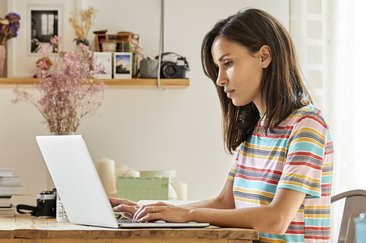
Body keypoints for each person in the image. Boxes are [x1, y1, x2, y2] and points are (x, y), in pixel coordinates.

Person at [111, 8, 334, 243]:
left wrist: (187, 214)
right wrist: (158, 212)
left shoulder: (306, 125)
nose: (220, 79)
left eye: (227, 63)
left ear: (264, 56)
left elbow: (277, 219)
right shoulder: (256, 130)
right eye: (218, 68)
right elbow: (225, 203)